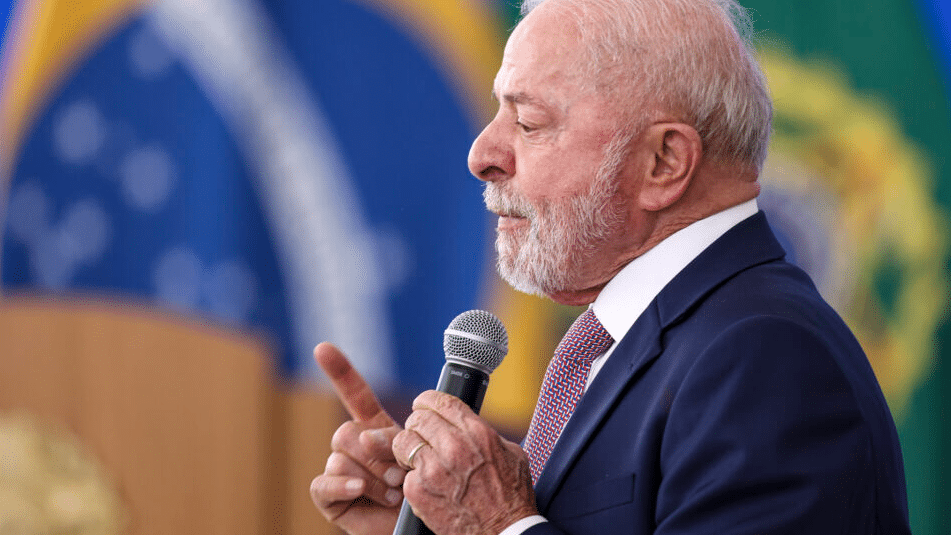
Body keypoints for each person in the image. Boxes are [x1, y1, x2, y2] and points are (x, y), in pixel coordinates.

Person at [310, 0, 912, 533]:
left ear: (664, 162)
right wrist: (437, 524)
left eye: (528, 122)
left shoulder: (766, 356)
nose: (481, 154)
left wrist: (497, 525)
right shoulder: (658, 339)